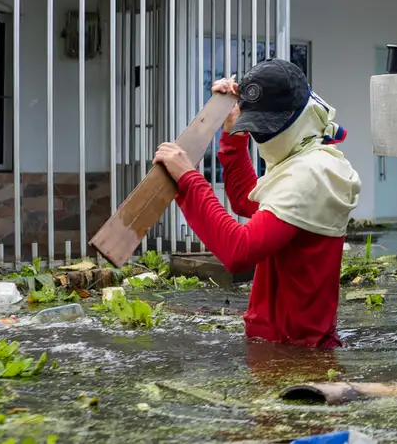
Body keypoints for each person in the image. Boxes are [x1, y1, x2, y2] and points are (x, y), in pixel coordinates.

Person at [152, 59, 362, 349]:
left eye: (265, 128)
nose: (262, 136)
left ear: (295, 117)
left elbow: (240, 251)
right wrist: (232, 132)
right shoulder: (301, 158)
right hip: (276, 344)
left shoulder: (313, 172)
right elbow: (245, 200)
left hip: (301, 352)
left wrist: (189, 179)